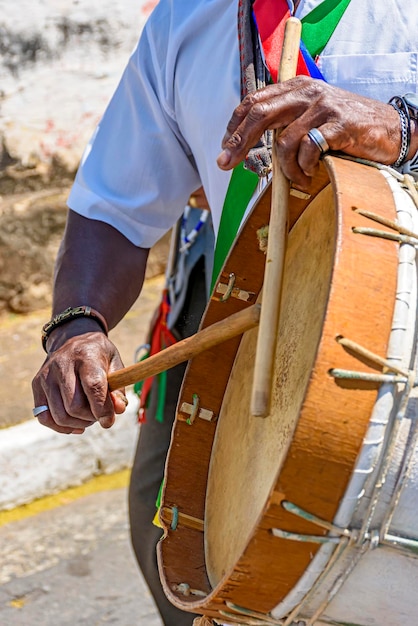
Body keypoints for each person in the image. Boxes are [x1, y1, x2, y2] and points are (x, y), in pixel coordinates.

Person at [32, 1, 418, 625]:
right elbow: (113, 208)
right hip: (259, 376)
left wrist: (405, 130)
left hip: (404, 376)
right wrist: (78, 324)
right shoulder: (186, 20)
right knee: (184, 556)